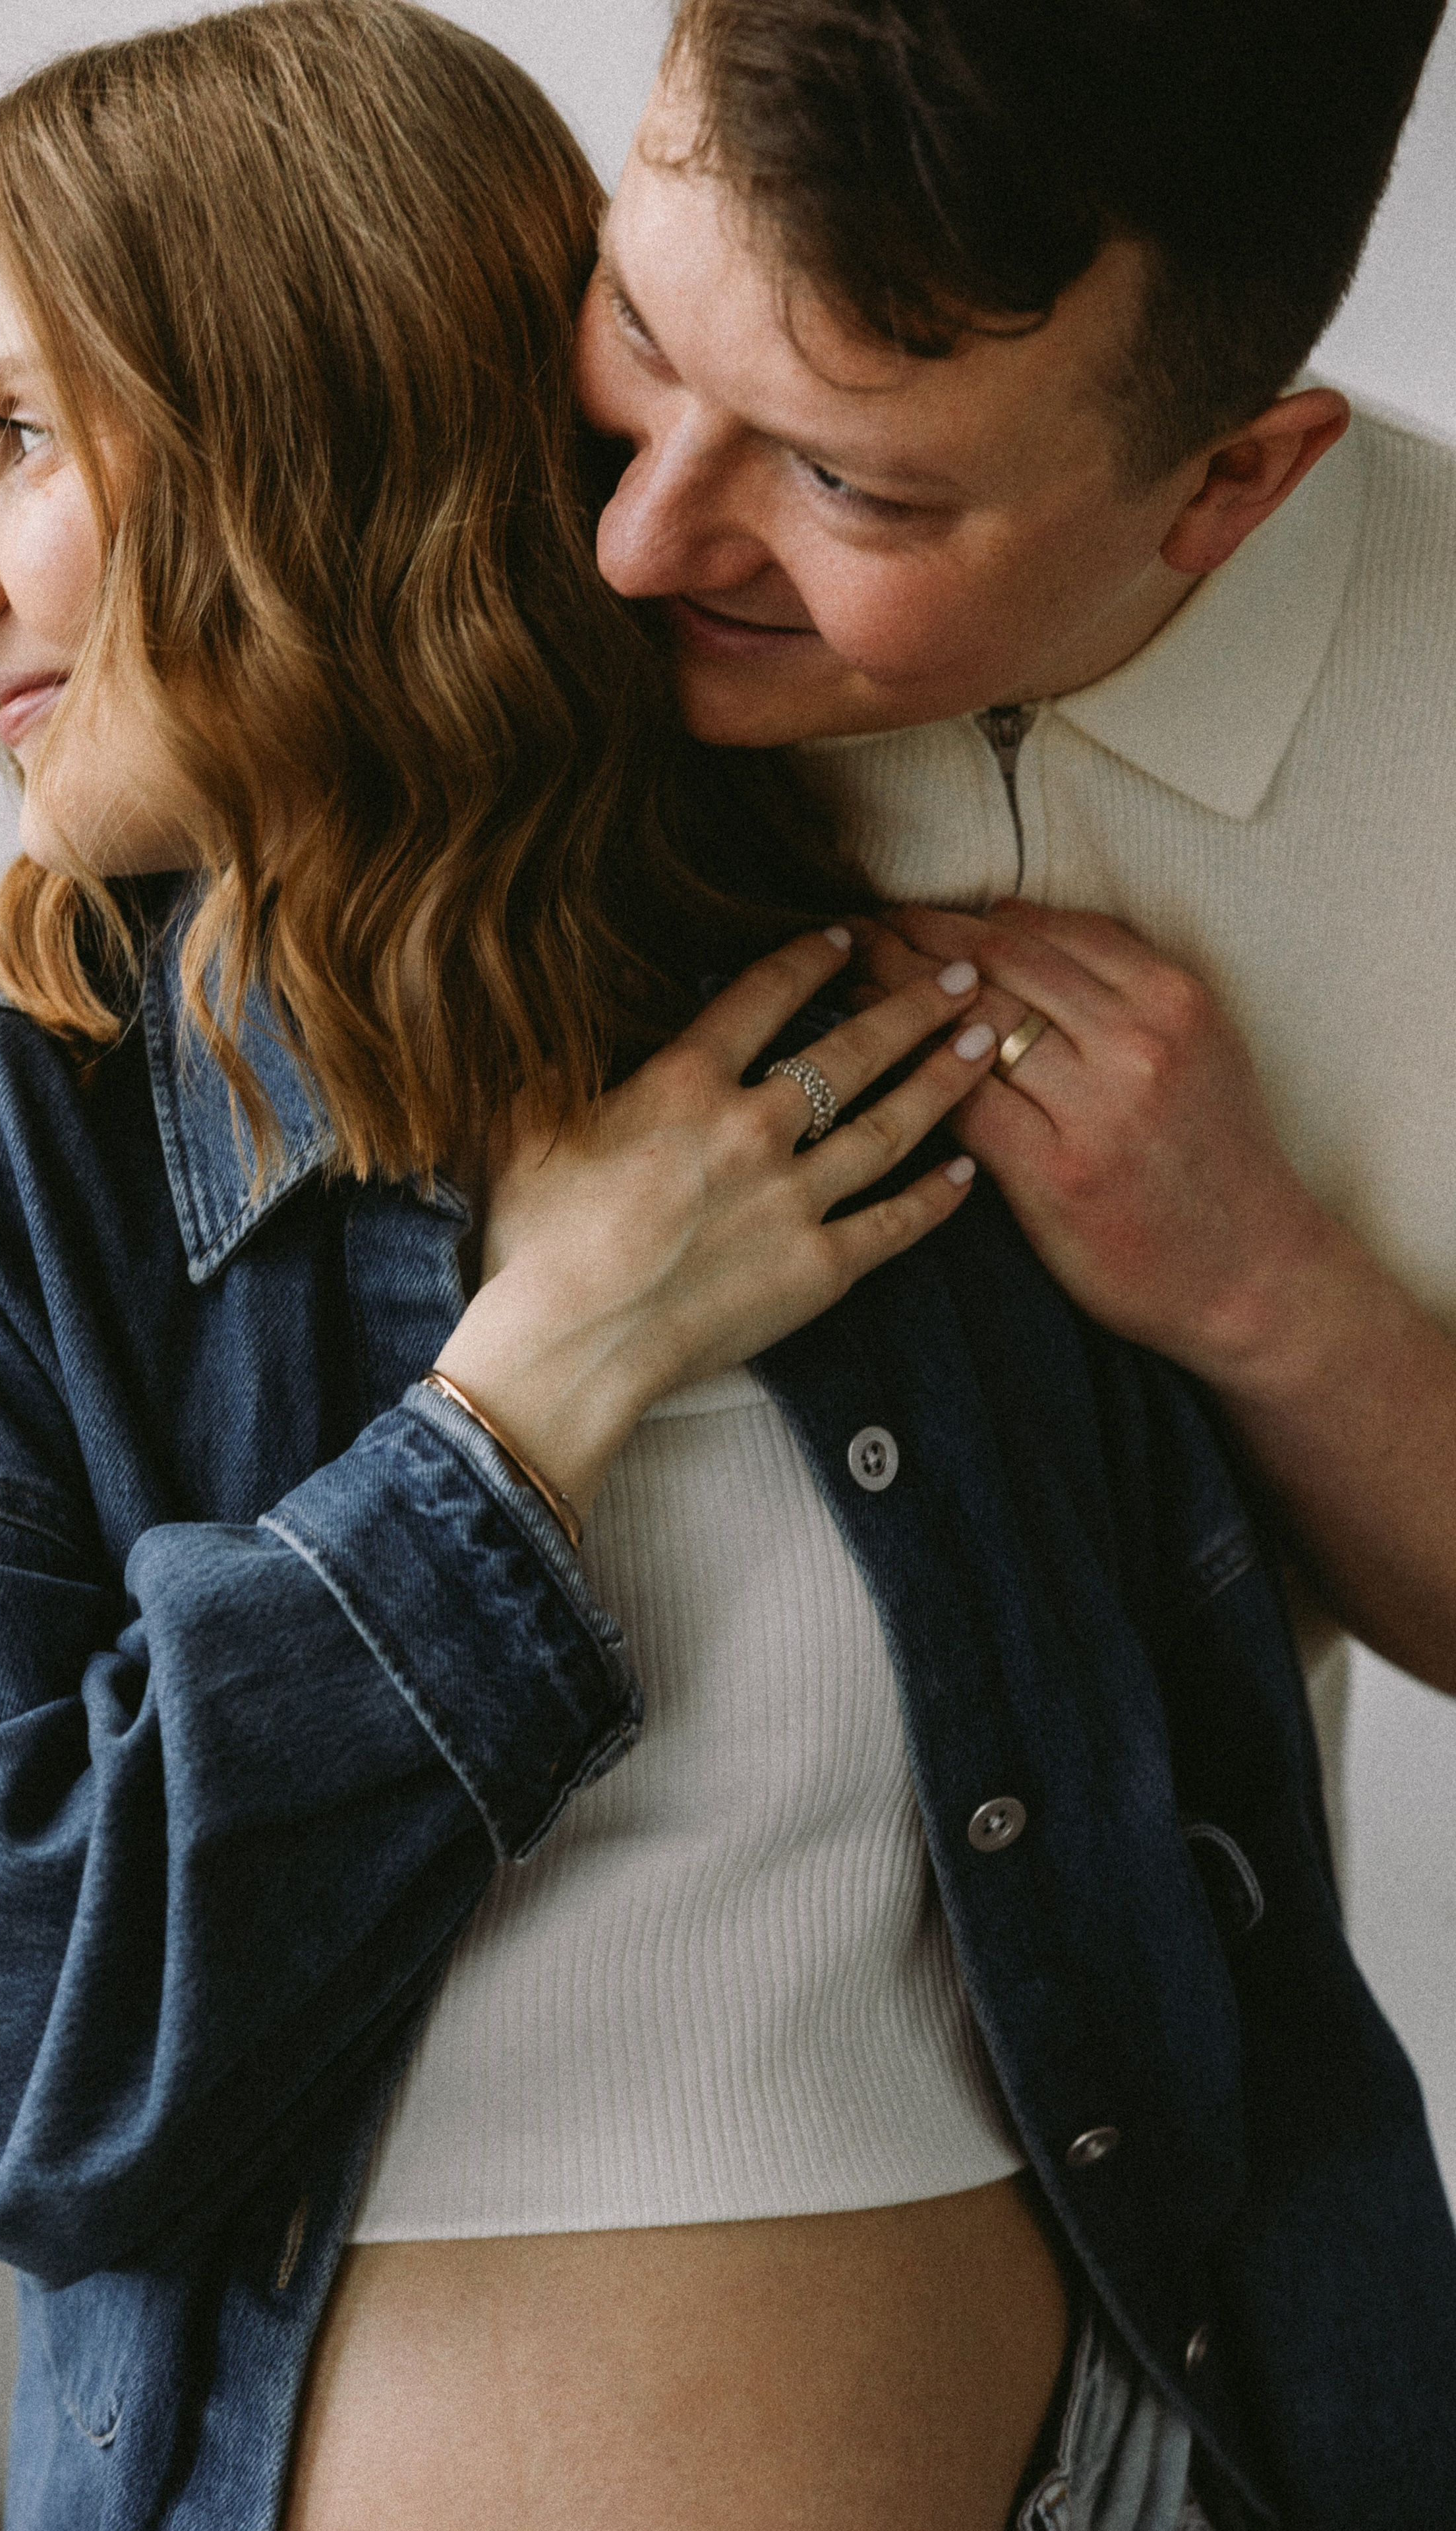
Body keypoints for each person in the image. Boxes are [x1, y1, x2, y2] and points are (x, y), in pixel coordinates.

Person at [0, 8, 1452, 2531]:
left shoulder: (943, 1018)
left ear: (324, 425)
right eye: (642, 348)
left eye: (21, 432)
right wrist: (528, 1392)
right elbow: (8, 2071)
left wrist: (1266, 1296)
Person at [576, 0, 1456, 1860]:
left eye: (849, 484)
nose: (634, 544)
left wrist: (1270, 1296)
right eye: (640, 325)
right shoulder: (420, 499)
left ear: (1232, 481)